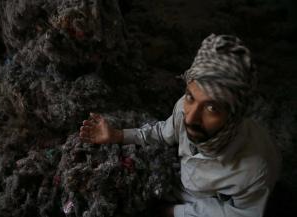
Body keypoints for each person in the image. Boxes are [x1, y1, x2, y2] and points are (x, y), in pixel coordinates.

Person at [79, 34, 281, 217]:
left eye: (211, 108)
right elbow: (162, 132)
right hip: (185, 185)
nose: (191, 118)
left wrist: (176, 212)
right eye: (191, 97)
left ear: (234, 115)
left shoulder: (253, 170)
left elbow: (240, 214)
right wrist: (117, 135)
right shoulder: (183, 109)